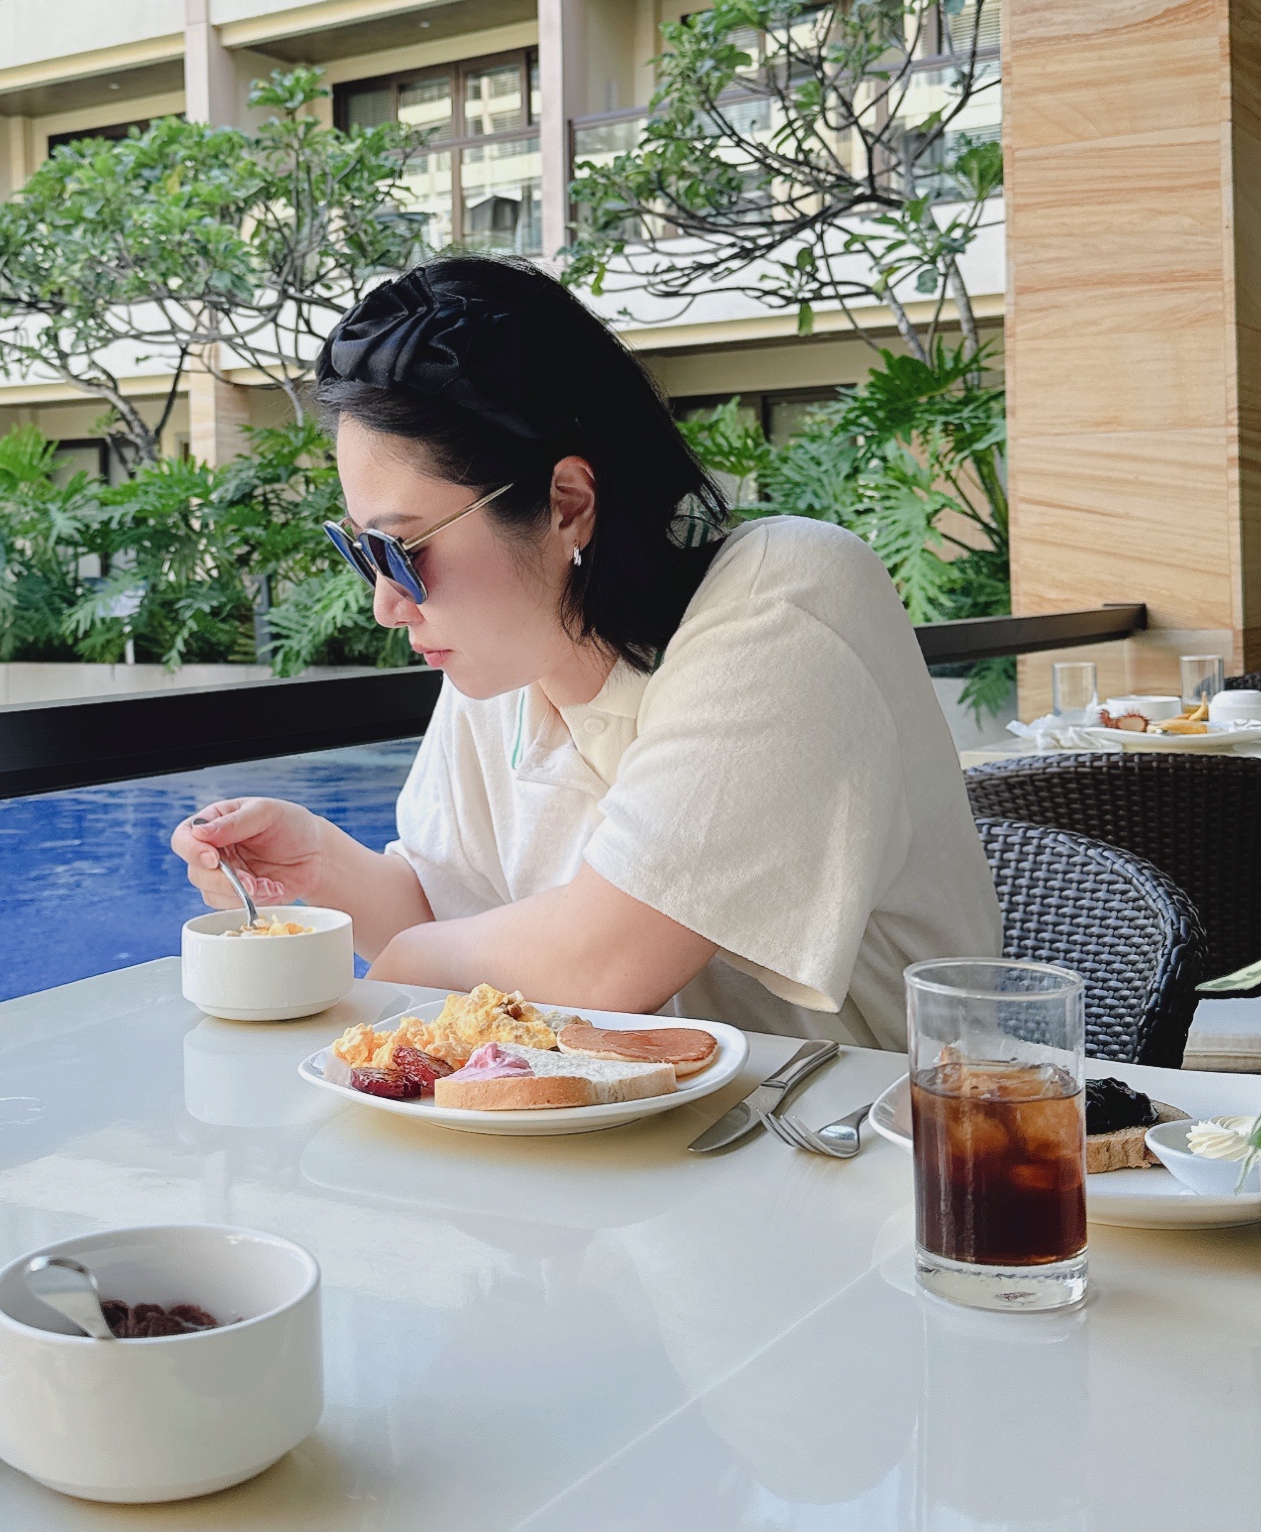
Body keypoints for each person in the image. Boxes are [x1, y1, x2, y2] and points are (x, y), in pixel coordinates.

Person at [172, 258, 998, 1047]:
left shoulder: (784, 597)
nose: (387, 604)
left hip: (875, 1122)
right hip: (641, 1132)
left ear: (568, 502)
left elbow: (600, 961)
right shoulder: (500, 662)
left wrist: (393, 982)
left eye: (402, 551)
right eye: (363, 553)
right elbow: (467, 930)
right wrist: (318, 867)